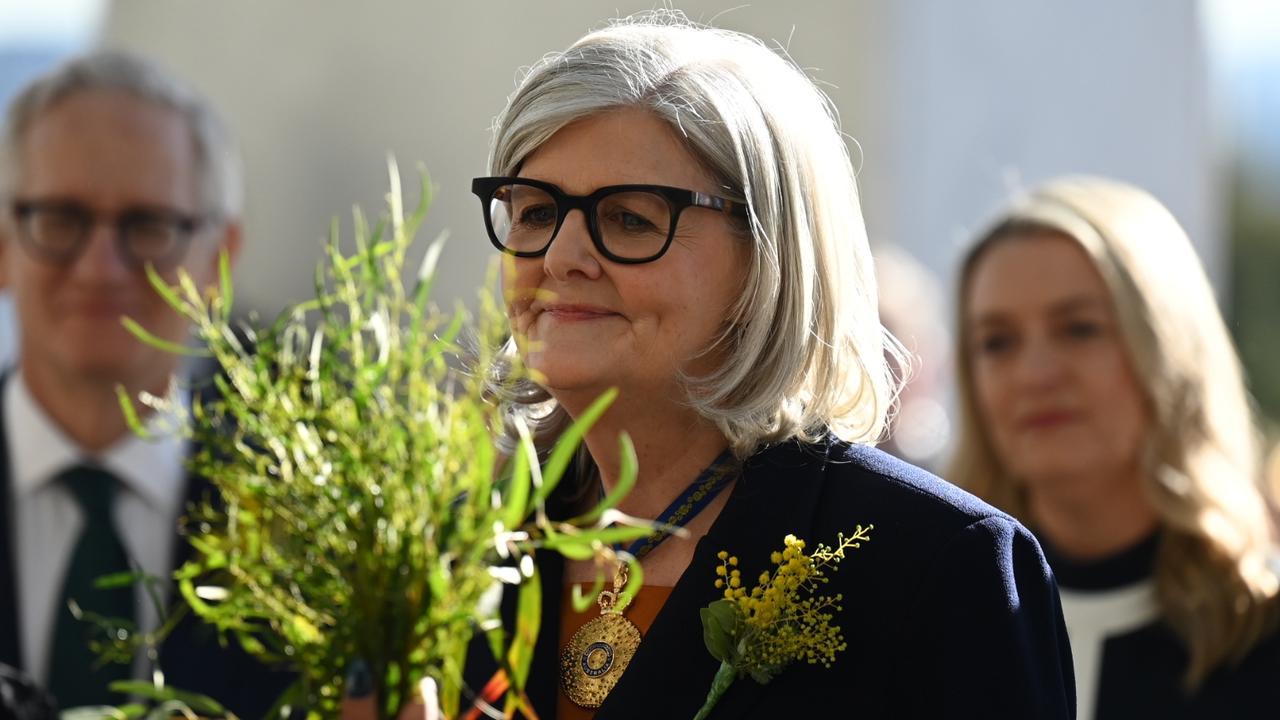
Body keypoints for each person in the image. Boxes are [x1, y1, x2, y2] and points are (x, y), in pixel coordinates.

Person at [347, 12, 1074, 720]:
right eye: (536, 211)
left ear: (767, 258)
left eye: (630, 217)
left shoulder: (935, 565)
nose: (562, 257)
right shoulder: (460, 553)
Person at [0, 50, 285, 715]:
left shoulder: (305, 522)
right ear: (3, 242)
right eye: (62, 219)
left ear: (220, 259)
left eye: (147, 225)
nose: (101, 267)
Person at [949, 175, 1280, 719]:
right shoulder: (933, 614)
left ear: (1171, 350)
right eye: (997, 342)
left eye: (1079, 329)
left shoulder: (1257, 626)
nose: (1035, 374)